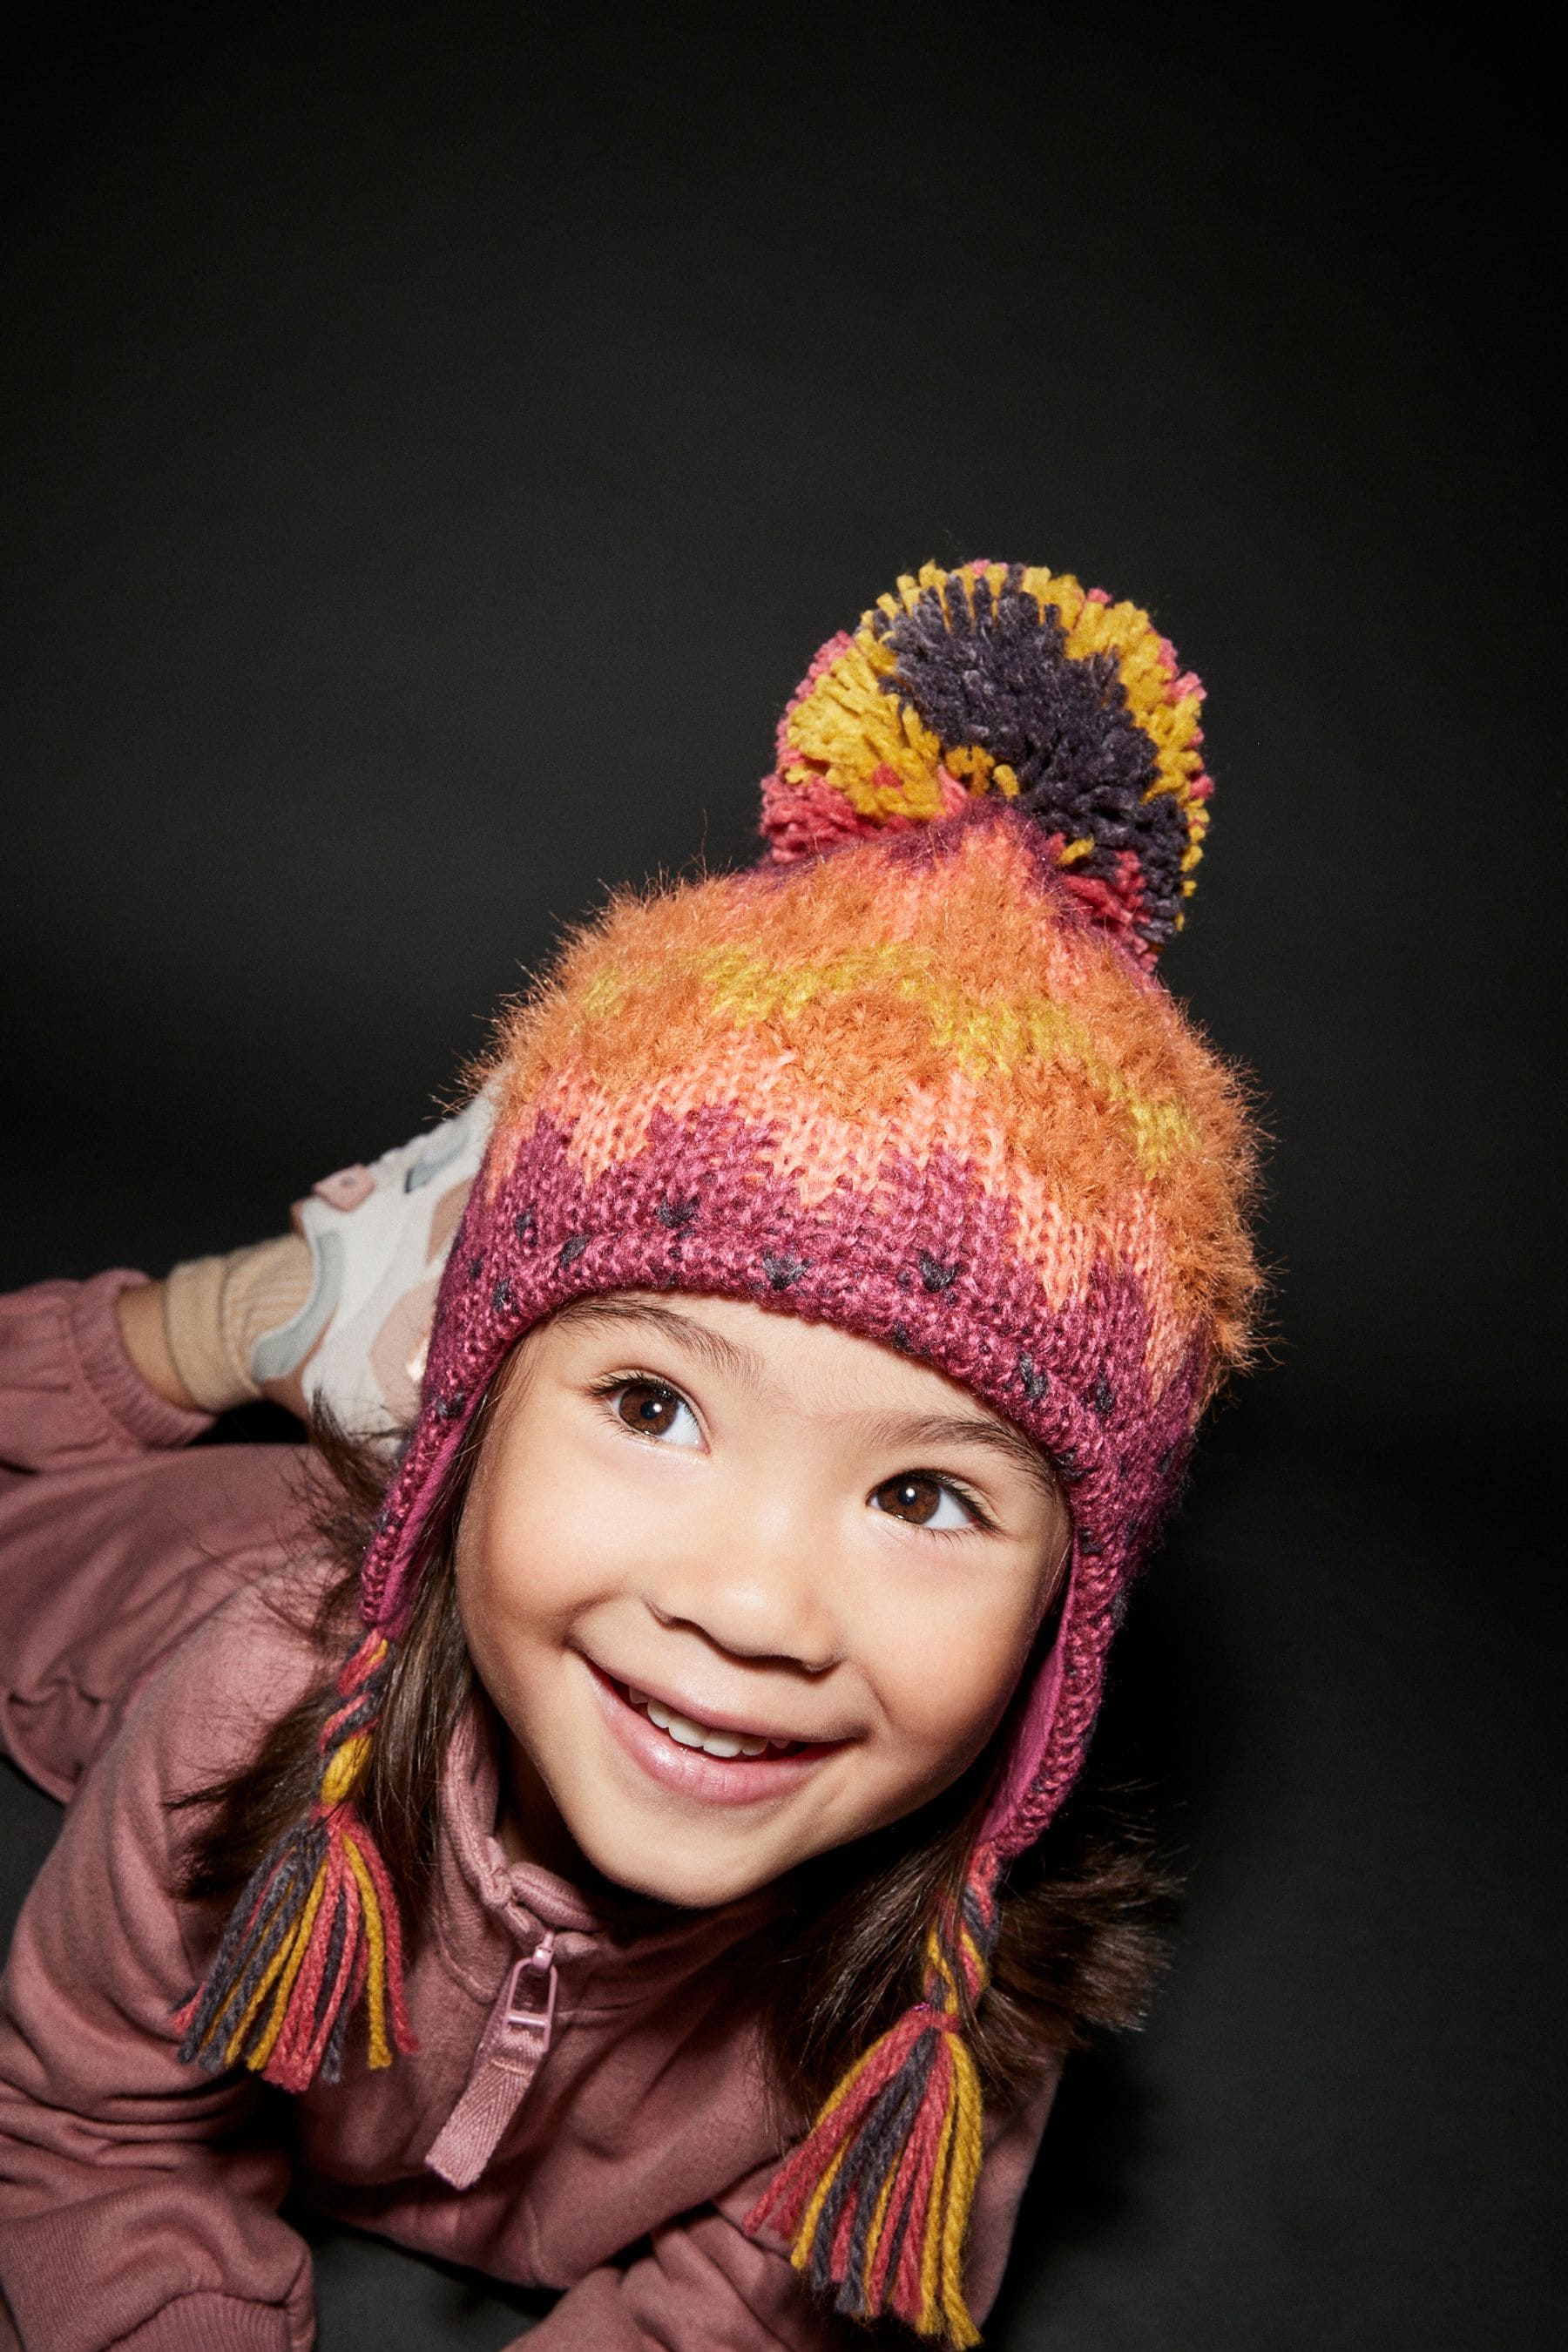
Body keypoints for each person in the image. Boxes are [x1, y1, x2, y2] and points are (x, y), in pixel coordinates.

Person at [0, 562, 1260, 2351]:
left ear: (1073, 1617)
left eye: (924, 1494)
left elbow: (755, 2320)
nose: (748, 1603)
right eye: (654, 1405)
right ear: (476, 1419)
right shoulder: (243, 1696)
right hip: (184, 1567)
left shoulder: (953, 2009)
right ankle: (264, 1320)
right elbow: (95, 2123)